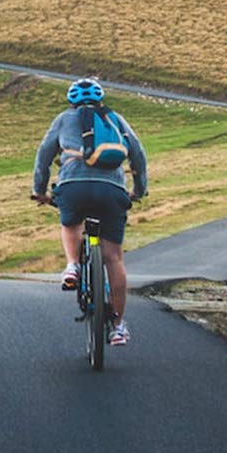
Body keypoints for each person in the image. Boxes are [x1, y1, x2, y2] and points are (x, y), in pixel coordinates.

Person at [31, 77, 149, 346]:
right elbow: (138, 155)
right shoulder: (116, 119)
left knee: (71, 223)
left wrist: (40, 191)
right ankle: (118, 326)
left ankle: (73, 266)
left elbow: (44, 155)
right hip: (112, 190)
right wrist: (139, 190)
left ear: (71, 101)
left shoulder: (63, 119)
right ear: (101, 99)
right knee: (114, 259)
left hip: (73, 186)